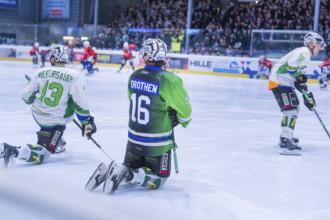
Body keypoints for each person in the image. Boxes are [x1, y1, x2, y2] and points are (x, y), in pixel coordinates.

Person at [85, 38, 192, 194]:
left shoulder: (134, 75)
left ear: (147, 56)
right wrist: (176, 119)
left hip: (133, 142)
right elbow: (186, 115)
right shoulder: (169, 80)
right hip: (157, 145)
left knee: (133, 165)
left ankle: (119, 169)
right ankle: (129, 174)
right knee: (159, 179)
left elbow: (133, 99)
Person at [0, 44, 97, 168]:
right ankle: (15, 151)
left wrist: (32, 88)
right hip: (56, 119)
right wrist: (86, 123)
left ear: (54, 58)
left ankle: (58, 140)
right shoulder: (74, 75)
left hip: (38, 115)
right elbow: (80, 103)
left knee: (54, 120)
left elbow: (25, 96)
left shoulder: (40, 72)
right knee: (43, 154)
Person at [268, 32, 324, 155]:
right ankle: (285, 141)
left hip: (283, 82)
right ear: (310, 43)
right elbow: (291, 67)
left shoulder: (305, 55)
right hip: (280, 81)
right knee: (291, 109)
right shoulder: (304, 52)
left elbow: (299, 80)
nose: (320, 48)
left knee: (294, 108)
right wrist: (300, 78)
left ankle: (286, 136)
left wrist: (307, 96)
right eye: (318, 44)